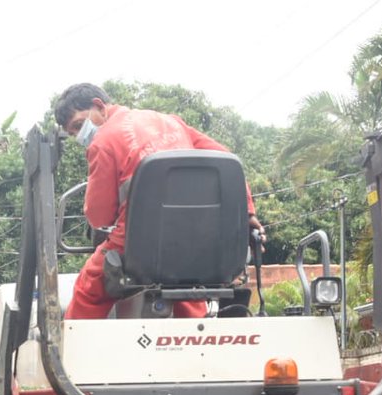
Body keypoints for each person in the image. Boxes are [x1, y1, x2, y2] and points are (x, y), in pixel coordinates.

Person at [53, 83, 265, 319]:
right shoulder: (170, 122)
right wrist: (248, 213)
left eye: (79, 125)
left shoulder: (103, 141)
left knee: (89, 288)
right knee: (187, 291)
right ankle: (194, 336)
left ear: (99, 106)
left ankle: (73, 343)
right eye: (74, 133)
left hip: (138, 244)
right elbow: (227, 162)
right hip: (198, 242)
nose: (80, 135)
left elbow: (99, 216)